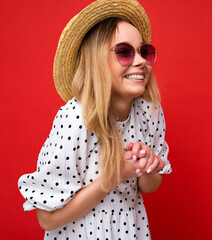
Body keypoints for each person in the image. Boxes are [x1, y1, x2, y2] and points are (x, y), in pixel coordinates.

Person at [17, 0, 172, 239]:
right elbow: (46, 219)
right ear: (97, 61)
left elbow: (149, 187)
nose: (141, 61)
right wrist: (113, 177)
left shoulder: (148, 113)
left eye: (144, 51)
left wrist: (147, 165)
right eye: (124, 52)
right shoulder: (77, 118)